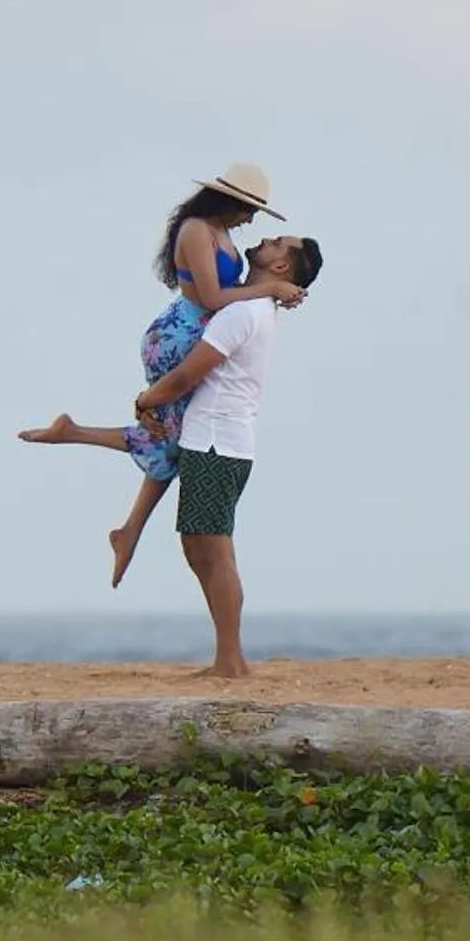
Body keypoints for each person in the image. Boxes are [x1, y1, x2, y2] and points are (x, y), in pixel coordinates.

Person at [18, 163, 307, 587]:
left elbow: (235, 299)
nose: (251, 221)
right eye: (250, 211)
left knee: (174, 443)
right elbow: (211, 297)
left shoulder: (220, 234)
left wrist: (276, 291)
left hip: (197, 333)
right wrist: (270, 288)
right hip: (177, 335)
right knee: (174, 438)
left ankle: (121, 516)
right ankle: (113, 502)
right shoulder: (195, 230)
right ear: (233, 203)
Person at [130, 232, 323, 676]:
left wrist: (146, 401)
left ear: (281, 267)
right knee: (203, 547)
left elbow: (187, 375)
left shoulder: (242, 313)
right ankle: (228, 657)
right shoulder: (254, 307)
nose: (267, 238)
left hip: (217, 440)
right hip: (221, 440)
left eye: (278, 243)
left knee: (211, 551)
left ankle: (229, 661)